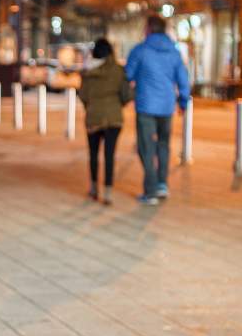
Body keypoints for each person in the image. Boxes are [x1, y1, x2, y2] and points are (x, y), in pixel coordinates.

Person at [125, 14, 190, 205]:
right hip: (166, 106)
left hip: (146, 105)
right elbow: (183, 79)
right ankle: (162, 184)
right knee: (163, 145)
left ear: (149, 29)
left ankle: (151, 190)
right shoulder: (174, 52)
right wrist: (183, 102)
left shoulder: (140, 50)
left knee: (145, 147)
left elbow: (128, 74)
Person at [79, 38, 131, 205]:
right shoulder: (118, 70)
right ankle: (108, 192)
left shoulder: (88, 72)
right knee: (110, 155)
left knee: (93, 154)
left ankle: (94, 188)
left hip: (93, 117)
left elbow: (83, 96)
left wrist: (91, 105)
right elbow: (126, 95)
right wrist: (117, 104)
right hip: (114, 118)